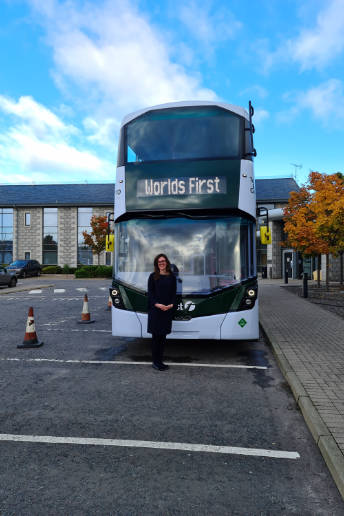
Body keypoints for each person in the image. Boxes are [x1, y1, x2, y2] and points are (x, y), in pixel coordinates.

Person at [147, 254, 177, 371]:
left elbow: (174, 293)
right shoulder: (153, 276)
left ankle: (160, 361)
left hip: (167, 310)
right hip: (156, 311)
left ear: (167, 262)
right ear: (156, 264)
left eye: (163, 261)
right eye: (159, 262)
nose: (161, 263)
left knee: (163, 338)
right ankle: (156, 362)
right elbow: (150, 293)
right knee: (156, 338)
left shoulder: (172, 277)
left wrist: (171, 304)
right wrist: (157, 304)